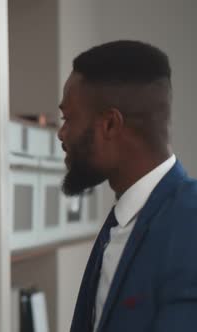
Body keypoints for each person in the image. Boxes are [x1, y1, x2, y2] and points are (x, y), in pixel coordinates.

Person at [58, 40, 197, 332]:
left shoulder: (190, 221)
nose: (62, 134)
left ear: (109, 124)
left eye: (68, 118)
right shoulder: (119, 223)